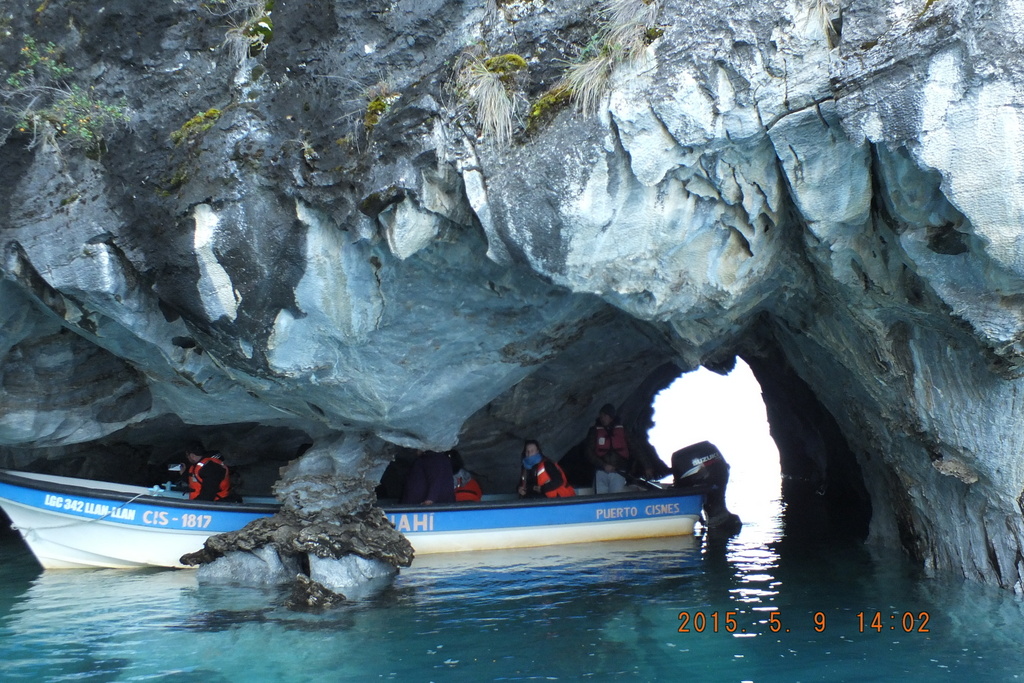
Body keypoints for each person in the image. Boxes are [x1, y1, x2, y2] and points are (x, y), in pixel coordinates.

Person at [586, 403, 631, 494]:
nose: (602, 418)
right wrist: (603, 465)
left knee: (616, 500)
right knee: (601, 501)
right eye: (601, 416)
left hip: (618, 471)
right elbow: (588, 452)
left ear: (611, 416)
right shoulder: (594, 431)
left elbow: (636, 447)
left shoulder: (623, 430)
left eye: (605, 415)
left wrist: (647, 466)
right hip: (601, 472)